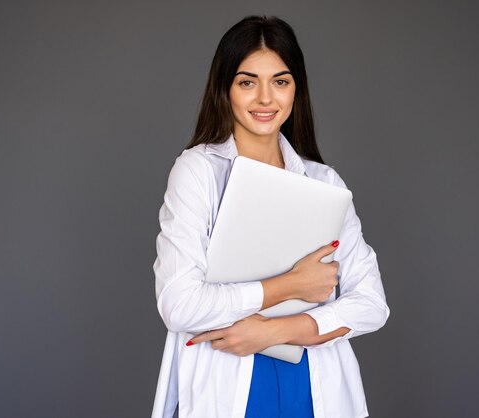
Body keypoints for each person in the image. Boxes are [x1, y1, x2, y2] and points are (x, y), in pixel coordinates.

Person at [152, 15, 389, 418]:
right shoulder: (198, 172)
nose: (265, 98)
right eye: (247, 82)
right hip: (229, 381)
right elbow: (179, 304)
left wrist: (272, 332)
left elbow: (371, 304)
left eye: (280, 81)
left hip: (313, 383)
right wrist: (289, 286)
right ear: (225, 89)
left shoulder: (323, 181)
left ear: (296, 90)